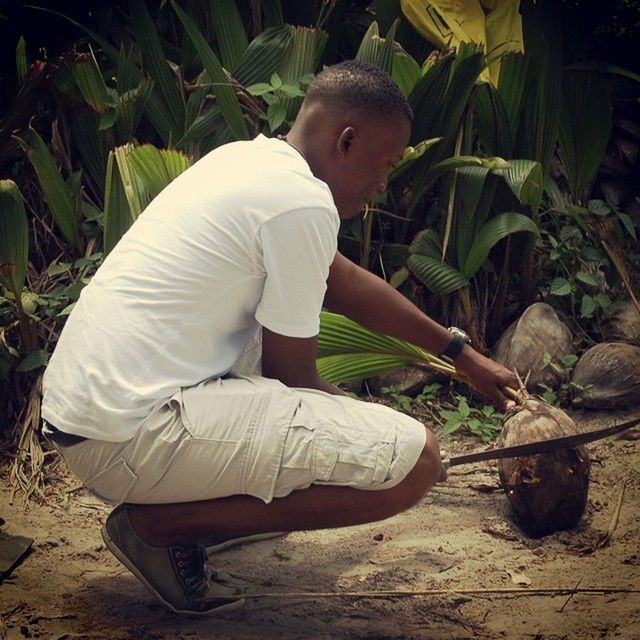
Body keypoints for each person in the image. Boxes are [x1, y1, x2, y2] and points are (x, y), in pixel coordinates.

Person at [41, 60, 518, 615]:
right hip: (130, 436)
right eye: (385, 164)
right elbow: (292, 379)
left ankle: (190, 513)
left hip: (88, 421)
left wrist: (460, 354)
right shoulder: (300, 204)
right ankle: (156, 526)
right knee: (411, 464)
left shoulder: (247, 161)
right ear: (346, 140)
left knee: (378, 444)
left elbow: (340, 280)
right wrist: (383, 434)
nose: (383, 183)